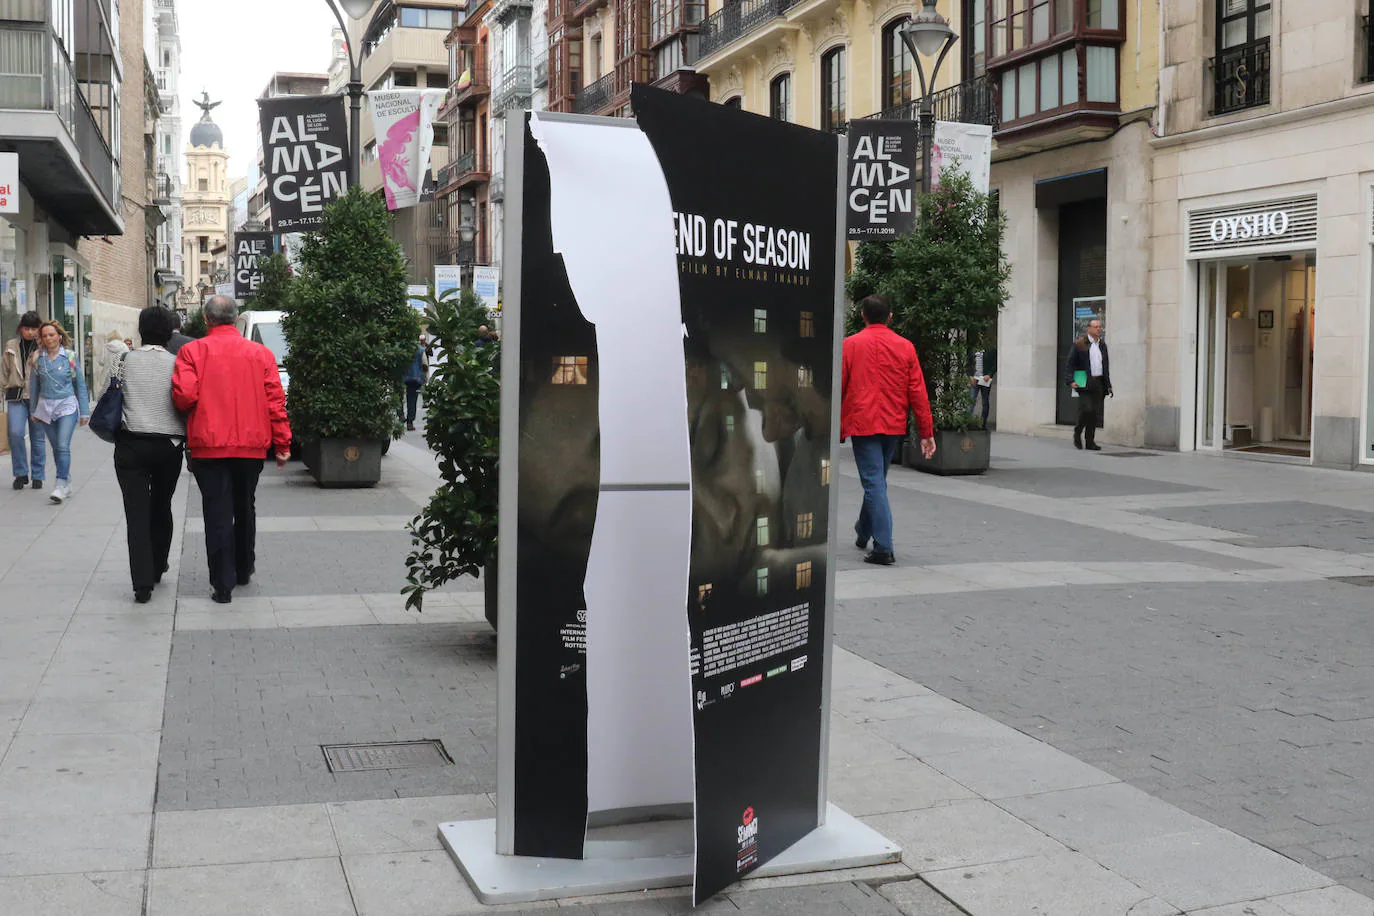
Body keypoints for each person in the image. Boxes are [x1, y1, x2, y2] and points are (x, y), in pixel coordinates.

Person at [173, 296, 291, 604]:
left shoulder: (191, 352)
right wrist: (282, 444)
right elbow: (275, 401)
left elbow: (184, 397)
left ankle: (222, 584)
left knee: (217, 511)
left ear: (206, 319)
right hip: (250, 447)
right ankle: (244, 567)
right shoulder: (261, 354)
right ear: (235, 318)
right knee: (244, 505)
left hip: (208, 446)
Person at [841, 294, 935, 566]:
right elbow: (918, 391)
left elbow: (840, 386)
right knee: (877, 481)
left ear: (862, 316)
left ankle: (883, 546)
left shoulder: (850, 345)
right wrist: (926, 432)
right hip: (893, 423)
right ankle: (863, 530)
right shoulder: (905, 347)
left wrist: (835, 427)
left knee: (873, 482)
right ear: (890, 317)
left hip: (863, 422)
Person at [114, 307, 186, 603]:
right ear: (170, 332)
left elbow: (110, 394)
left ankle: (142, 583)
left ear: (141, 330)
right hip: (169, 445)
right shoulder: (178, 363)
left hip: (131, 444)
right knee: (162, 504)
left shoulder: (125, 360)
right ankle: (158, 565)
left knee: (136, 512)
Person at [28, 320, 90, 504]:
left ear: (59, 337)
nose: (48, 338)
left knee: (63, 445)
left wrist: (84, 411)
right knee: (56, 447)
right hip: (46, 407)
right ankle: (67, 480)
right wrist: (33, 410)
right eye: (45, 335)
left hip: (67, 405)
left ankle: (60, 483)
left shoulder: (70, 356)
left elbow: (80, 384)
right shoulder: (37, 357)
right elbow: (33, 386)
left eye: (52, 335)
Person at [3, 311, 45, 490]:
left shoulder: (42, 347)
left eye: (34, 328)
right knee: (16, 433)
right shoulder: (11, 345)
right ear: (21, 328)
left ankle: (37, 475)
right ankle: (21, 473)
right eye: (27, 328)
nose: (30, 332)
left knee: (37, 438)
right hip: (15, 396)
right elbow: (4, 370)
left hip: (36, 398)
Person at [1064, 318, 1112, 451]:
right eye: (1096, 327)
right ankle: (1078, 431)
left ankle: (1090, 441)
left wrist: (1108, 384)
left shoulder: (1102, 345)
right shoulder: (1080, 344)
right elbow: (1070, 363)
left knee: (1095, 414)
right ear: (1089, 329)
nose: (1098, 329)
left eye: (1100, 327)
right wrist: (1070, 380)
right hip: (1084, 381)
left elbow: (1105, 366)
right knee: (1087, 409)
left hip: (1099, 382)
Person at [402, 340, 428, 431]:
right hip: (415, 378)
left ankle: (400, 414)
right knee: (412, 400)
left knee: (398, 397)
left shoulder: (401, 347)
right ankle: (410, 422)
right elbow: (425, 365)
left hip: (402, 376)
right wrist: (425, 378)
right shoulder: (420, 349)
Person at [94, 329, 129, 396]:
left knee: (106, 397)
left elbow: (101, 361)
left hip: (106, 376)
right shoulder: (124, 346)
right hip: (120, 377)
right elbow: (127, 361)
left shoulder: (105, 346)